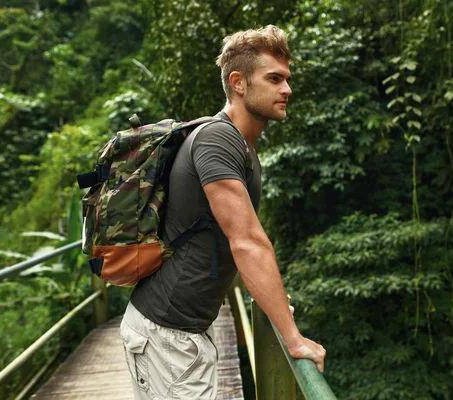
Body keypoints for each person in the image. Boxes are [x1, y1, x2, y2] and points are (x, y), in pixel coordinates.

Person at [119, 25, 326, 399]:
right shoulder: (219, 138)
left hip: (183, 332)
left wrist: (277, 306)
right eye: (275, 78)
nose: (287, 90)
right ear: (239, 82)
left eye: (288, 79)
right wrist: (294, 339)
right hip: (167, 335)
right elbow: (246, 241)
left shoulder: (242, 147)